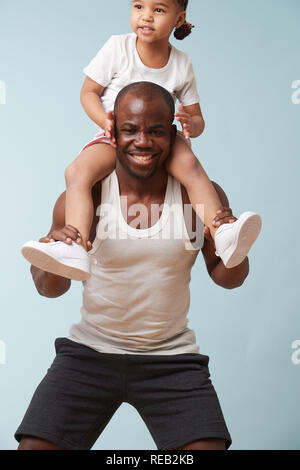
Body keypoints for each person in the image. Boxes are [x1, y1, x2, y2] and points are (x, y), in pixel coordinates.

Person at [16, 82, 251, 451]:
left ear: (172, 134)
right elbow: (50, 288)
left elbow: (228, 279)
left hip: (171, 359)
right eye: (130, 130)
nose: (143, 141)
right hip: (89, 354)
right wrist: (54, 255)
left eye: (156, 131)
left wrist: (233, 252)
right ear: (113, 131)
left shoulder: (200, 196)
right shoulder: (86, 196)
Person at [21, 0, 261, 281]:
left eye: (158, 10)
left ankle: (222, 232)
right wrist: (105, 121)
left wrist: (189, 124)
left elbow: (198, 119)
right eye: (138, 6)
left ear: (179, 18)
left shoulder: (182, 63)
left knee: (192, 169)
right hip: (115, 135)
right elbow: (88, 92)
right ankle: (73, 243)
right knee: (76, 172)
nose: (146, 16)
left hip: (164, 138)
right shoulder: (117, 47)